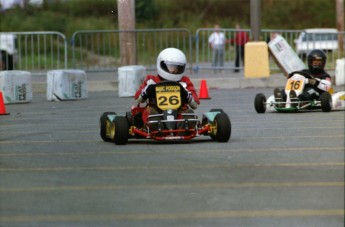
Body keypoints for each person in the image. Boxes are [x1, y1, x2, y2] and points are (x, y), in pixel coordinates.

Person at [134, 47, 200, 127]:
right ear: (161, 65)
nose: (173, 71)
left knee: (188, 114)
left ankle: (182, 128)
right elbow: (139, 99)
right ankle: (156, 126)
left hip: (179, 110)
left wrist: (186, 95)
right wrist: (146, 91)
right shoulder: (151, 80)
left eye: (177, 68)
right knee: (149, 113)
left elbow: (195, 105)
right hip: (156, 110)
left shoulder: (184, 81)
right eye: (170, 67)